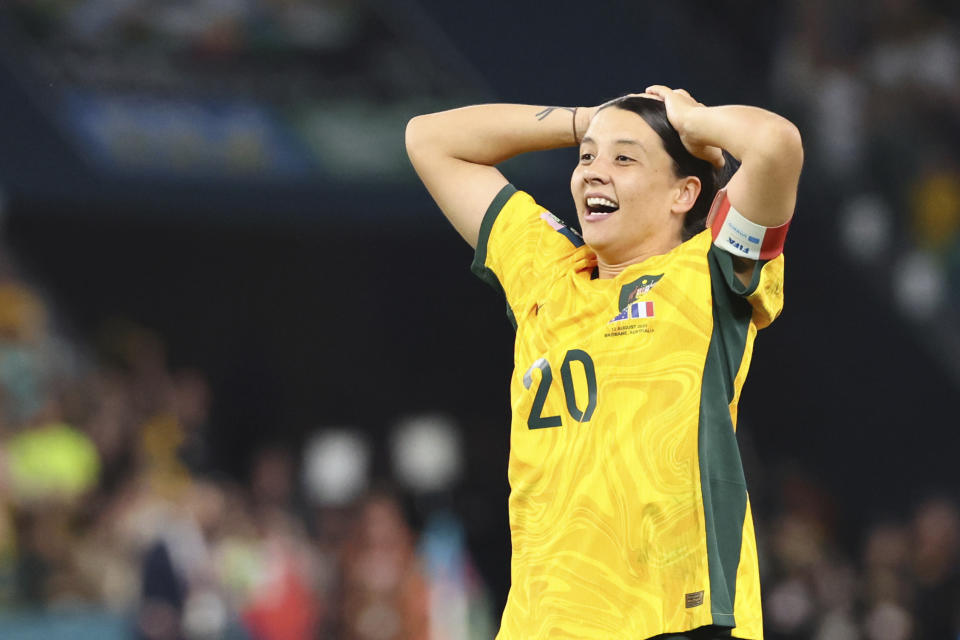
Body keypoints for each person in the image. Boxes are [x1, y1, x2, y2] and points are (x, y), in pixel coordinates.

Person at [405, 85, 803, 640]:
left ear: (684, 193)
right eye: (587, 157)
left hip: (676, 617)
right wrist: (591, 120)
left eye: (624, 159)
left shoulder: (712, 269)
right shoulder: (545, 269)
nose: (593, 170)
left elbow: (775, 143)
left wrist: (692, 120)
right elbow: (429, 138)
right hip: (544, 624)